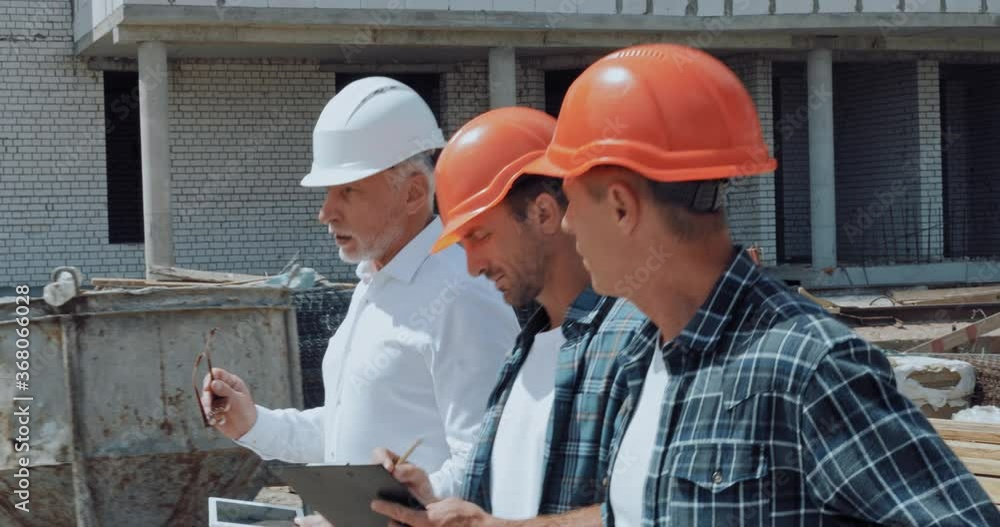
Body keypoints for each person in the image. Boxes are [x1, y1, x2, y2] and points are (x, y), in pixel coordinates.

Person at [522, 43, 1000, 526]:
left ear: (622, 207)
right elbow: (635, 515)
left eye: (572, 200)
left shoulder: (808, 367)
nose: (567, 225)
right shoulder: (642, 357)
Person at [201, 77, 519, 526]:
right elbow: (345, 432)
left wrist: (410, 503)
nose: (326, 211)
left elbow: (488, 462)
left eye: (348, 190)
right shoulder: (376, 284)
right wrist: (254, 424)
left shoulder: (462, 294)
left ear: (412, 192)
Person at [369, 107, 647, 527]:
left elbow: (652, 510)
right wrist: (431, 501)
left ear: (543, 214)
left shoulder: (636, 342)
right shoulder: (525, 349)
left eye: (480, 235)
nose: (473, 265)